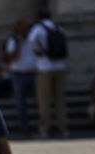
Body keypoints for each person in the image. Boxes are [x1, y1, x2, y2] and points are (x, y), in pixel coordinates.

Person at [28, 9, 69, 138]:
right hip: (60, 66)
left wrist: (38, 51)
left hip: (45, 66)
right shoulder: (59, 28)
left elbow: (31, 41)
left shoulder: (38, 28)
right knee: (60, 99)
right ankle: (63, 129)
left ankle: (44, 128)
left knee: (44, 99)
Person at [3, 18, 38, 136]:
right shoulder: (13, 41)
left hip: (33, 73)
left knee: (39, 101)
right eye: (20, 28)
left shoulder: (33, 38)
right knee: (20, 103)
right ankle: (25, 127)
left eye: (25, 28)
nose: (23, 31)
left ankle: (40, 126)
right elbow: (12, 57)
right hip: (18, 74)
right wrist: (18, 43)